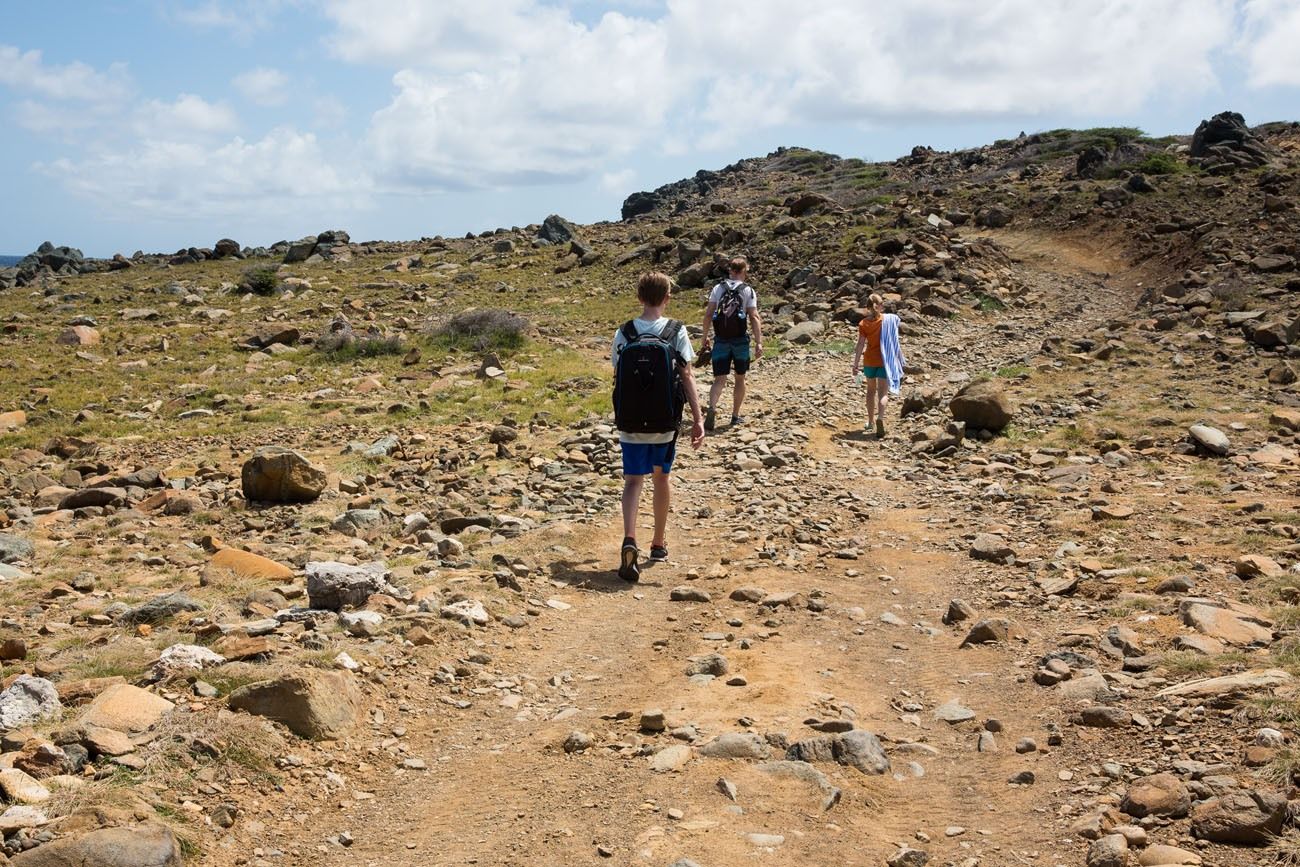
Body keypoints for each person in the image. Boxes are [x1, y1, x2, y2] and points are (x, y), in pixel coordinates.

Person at [612, 272, 705, 582]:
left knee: (633, 481)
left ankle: (629, 538)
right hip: (664, 422)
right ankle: (658, 543)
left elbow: (618, 375)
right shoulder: (676, 330)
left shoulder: (623, 332)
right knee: (661, 478)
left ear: (639, 298)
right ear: (667, 298)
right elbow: (687, 376)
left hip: (631, 422)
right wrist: (698, 417)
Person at [700, 257, 762, 430]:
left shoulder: (718, 288)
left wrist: (704, 337)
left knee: (719, 379)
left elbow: (708, 314)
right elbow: (754, 317)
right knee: (740, 378)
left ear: (730, 271)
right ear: (743, 271)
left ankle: (712, 408)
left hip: (721, 339)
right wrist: (759, 342)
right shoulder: (748, 290)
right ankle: (735, 416)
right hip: (740, 340)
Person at [851, 293, 906, 437]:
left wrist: (855, 364)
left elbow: (860, 344)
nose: (883, 306)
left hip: (869, 361)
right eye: (882, 303)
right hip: (884, 361)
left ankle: (870, 422)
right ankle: (880, 418)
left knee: (870, 391)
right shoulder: (888, 320)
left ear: (868, 307)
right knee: (883, 393)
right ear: (879, 306)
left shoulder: (863, 324)